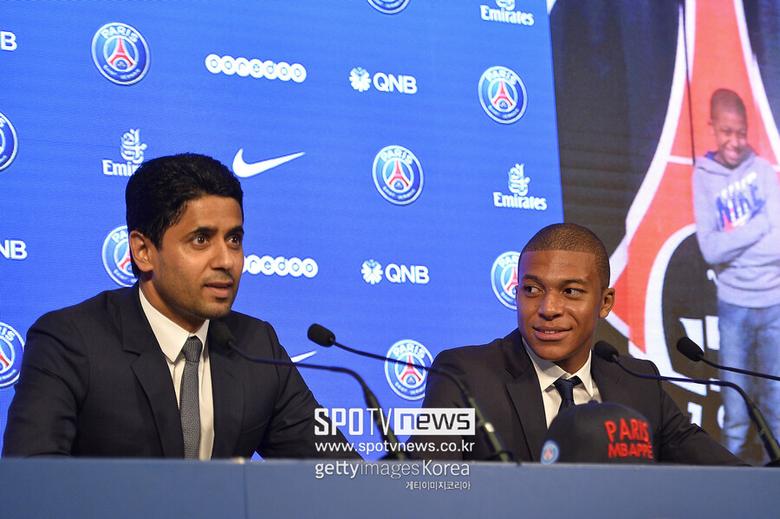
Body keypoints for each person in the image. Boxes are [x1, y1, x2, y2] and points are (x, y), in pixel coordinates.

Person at [3, 153, 355, 459]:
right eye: (201, 239)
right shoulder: (71, 342)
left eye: (234, 239)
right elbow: (32, 482)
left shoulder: (256, 345)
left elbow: (338, 474)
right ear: (143, 251)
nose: (226, 261)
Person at [415, 223, 743, 464]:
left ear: (605, 302)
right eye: (532, 290)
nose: (548, 309)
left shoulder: (638, 384)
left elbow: (724, 474)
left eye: (570, 291)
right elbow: (424, 477)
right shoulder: (463, 376)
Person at [692, 88, 780, 459]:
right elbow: (710, 249)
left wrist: (735, 242)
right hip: (733, 306)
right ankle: (733, 482)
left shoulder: (762, 170)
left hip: (774, 302)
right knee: (736, 410)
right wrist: (759, 224)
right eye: (727, 132)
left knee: (776, 403)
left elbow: (778, 245)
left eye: (741, 132)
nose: (735, 141)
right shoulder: (703, 176)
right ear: (712, 127)